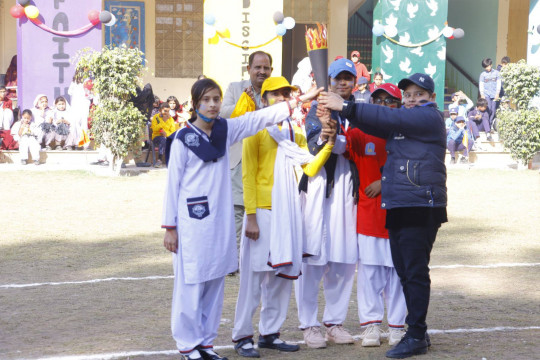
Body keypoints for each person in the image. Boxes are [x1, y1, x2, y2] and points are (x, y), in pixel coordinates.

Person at [162, 78, 322, 360]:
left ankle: (206, 344)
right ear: (196, 103)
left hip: (220, 222)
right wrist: (170, 227)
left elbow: (260, 118)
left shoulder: (226, 130)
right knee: (191, 283)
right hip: (191, 223)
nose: (212, 105)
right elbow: (172, 186)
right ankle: (188, 344)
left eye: (216, 99)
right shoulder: (182, 139)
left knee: (214, 282)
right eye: (206, 100)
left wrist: (299, 100)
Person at [319, 73, 447, 359]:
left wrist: (347, 106)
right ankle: (418, 330)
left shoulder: (429, 118)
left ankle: (414, 334)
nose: (413, 99)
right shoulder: (402, 120)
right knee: (404, 271)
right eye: (409, 95)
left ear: (432, 98)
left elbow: (388, 119)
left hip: (421, 204)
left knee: (413, 272)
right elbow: (373, 124)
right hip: (400, 203)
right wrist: (335, 114)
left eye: (419, 94)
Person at [232, 76, 333, 358]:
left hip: (288, 211)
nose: (279, 98)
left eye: (284, 93)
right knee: (252, 280)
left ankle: (269, 334)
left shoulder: (293, 130)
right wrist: (250, 215)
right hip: (262, 212)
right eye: (274, 95)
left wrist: (327, 142)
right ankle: (242, 336)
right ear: (264, 99)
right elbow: (248, 174)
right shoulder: (256, 128)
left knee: (279, 279)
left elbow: (310, 167)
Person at [296, 58, 359, 349]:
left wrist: (341, 139)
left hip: (347, 189)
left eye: (348, 79)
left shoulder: (359, 112)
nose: (343, 83)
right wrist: (324, 132)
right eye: (337, 79)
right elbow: (310, 146)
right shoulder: (315, 110)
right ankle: (309, 325)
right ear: (329, 81)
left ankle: (334, 322)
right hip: (318, 188)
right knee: (312, 259)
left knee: (343, 258)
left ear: (354, 83)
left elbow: (360, 146)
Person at [341, 83, 407, 348]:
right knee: (370, 273)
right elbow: (339, 147)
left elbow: (413, 166)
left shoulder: (407, 133)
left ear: (398, 106)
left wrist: (384, 181)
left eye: (389, 101)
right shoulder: (359, 132)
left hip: (400, 215)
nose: (382, 105)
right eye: (377, 100)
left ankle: (397, 327)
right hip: (369, 216)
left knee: (399, 275)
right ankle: (370, 326)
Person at [220, 51, 273, 251]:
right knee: (238, 209)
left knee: (261, 210)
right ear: (248, 69)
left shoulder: (275, 90)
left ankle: (257, 253)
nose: (262, 71)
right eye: (257, 67)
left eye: (265, 68)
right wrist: (244, 104)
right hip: (239, 158)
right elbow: (224, 113)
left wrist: (258, 110)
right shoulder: (235, 88)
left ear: (271, 71)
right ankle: (234, 257)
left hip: (266, 162)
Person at [151, 102, 176, 167]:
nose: (166, 113)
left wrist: (166, 134)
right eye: (165, 111)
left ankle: (175, 161)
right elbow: (154, 129)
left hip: (167, 137)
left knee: (176, 141)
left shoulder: (171, 119)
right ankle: (159, 160)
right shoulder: (156, 117)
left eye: (168, 111)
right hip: (157, 137)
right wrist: (163, 121)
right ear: (160, 110)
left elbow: (173, 132)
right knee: (162, 139)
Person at [478, 58, 501, 129]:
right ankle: (486, 125)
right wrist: (482, 94)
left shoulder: (496, 73)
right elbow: (481, 84)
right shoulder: (483, 74)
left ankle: (490, 124)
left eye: (488, 66)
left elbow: (498, 83)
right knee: (488, 108)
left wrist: (497, 93)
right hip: (486, 94)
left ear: (491, 65)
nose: (487, 68)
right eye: (485, 67)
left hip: (494, 94)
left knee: (493, 110)